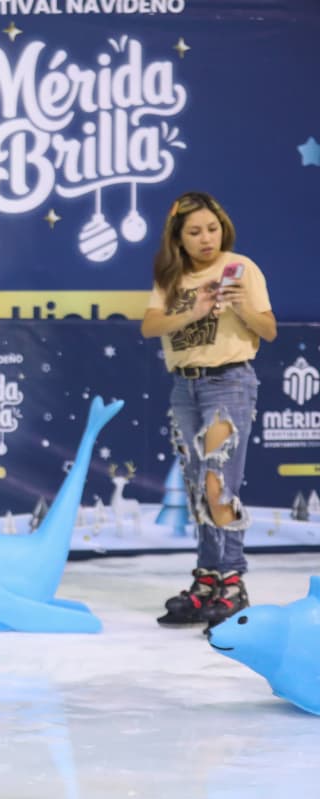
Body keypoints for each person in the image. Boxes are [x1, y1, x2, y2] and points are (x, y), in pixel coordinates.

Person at [141, 191, 276, 630]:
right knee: (199, 490)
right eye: (195, 231)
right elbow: (151, 325)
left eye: (212, 229)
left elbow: (269, 330)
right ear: (178, 238)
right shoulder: (171, 276)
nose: (206, 239)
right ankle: (207, 580)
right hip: (185, 386)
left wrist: (239, 306)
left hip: (229, 382)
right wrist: (195, 309)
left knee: (218, 485)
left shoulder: (242, 269)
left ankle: (233, 582)